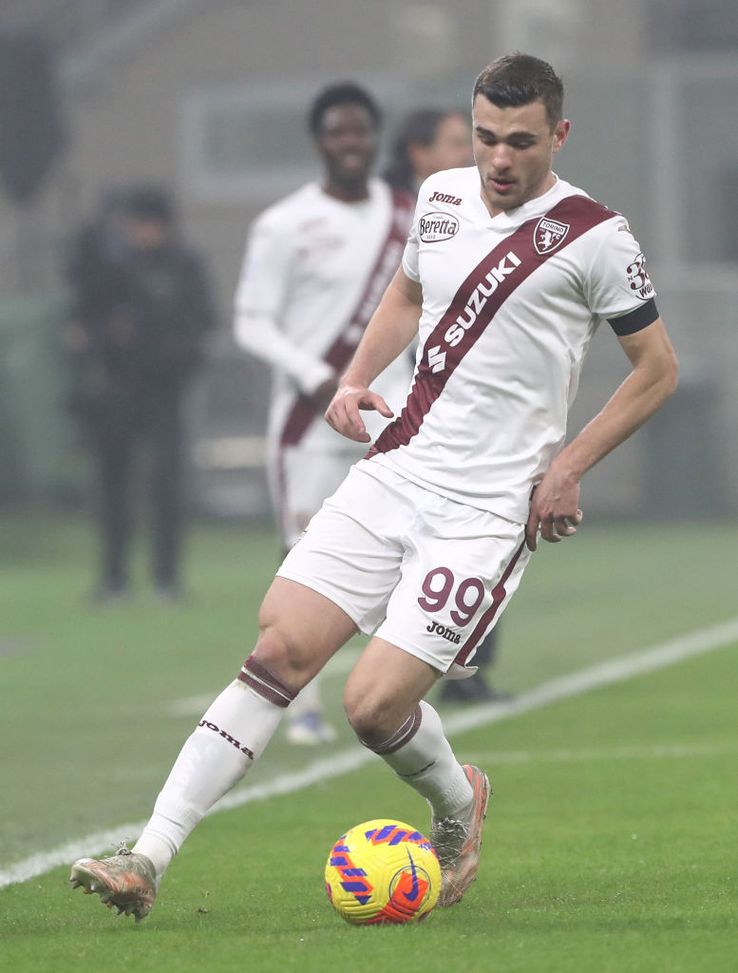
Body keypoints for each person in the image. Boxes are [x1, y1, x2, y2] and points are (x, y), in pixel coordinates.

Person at [69, 53, 678, 921]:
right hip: (398, 467)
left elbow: (657, 370)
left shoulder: (596, 236)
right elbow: (403, 294)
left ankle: (459, 804)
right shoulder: (439, 199)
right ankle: (148, 856)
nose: (499, 159)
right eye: (485, 138)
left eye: (520, 142)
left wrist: (569, 466)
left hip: (487, 509)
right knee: (278, 649)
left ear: (559, 135)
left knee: (370, 705)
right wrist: (356, 379)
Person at [233, 83, 415, 744]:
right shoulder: (284, 223)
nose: (350, 142)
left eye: (360, 130)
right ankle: (300, 704)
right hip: (308, 422)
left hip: (392, 416)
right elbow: (251, 321)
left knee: (400, 554)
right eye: (338, 131)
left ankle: (393, 697)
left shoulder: (410, 213)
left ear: (374, 137)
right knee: (306, 559)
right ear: (319, 140)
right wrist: (316, 377)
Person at [385, 107, 509, 704]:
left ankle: (469, 666)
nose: (475, 154)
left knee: (480, 526)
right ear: (419, 154)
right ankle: (420, 659)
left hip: (471, 402)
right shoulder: (403, 216)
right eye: (463, 142)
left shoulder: (490, 210)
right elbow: (398, 304)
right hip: (403, 401)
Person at [62, 186, 216, 602]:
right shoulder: (112, 267)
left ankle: (166, 578)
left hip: (165, 392)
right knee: (113, 486)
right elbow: (83, 318)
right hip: (117, 390)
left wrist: (169, 357)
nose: (138, 232)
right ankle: (113, 578)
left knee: (166, 486)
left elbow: (201, 324)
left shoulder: (184, 267)